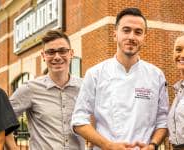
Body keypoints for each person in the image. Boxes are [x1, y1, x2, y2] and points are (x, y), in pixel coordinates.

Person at [71, 7, 169, 150]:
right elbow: (78, 120)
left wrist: (153, 145)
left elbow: (163, 120)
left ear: (144, 37)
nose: (131, 37)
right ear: (115, 34)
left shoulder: (156, 75)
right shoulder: (95, 74)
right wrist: (108, 145)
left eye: (138, 32)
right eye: (126, 30)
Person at [5, 30, 85, 149]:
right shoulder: (29, 89)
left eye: (62, 51)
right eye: (50, 52)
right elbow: (2, 121)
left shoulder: (84, 87)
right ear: (43, 56)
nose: (57, 57)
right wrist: (13, 148)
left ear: (71, 53)